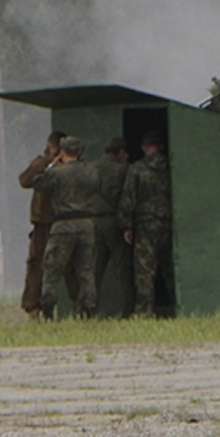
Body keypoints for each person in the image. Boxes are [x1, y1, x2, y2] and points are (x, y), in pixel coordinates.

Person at [32, 136, 102, 319]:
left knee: (52, 268)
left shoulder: (57, 173)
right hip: (86, 224)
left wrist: (51, 166)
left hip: (63, 224)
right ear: (79, 152)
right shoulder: (90, 172)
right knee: (86, 270)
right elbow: (97, 187)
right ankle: (89, 310)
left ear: (62, 152)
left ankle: (48, 310)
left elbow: (38, 183)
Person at [119, 131, 172, 317]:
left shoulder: (137, 169)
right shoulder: (171, 166)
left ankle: (145, 310)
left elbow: (128, 199)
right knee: (170, 267)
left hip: (146, 224)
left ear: (143, 147)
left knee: (145, 269)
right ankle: (177, 303)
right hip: (169, 223)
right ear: (161, 146)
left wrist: (126, 225)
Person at [17, 130, 67, 319]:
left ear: (49, 146)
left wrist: (44, 162)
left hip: (46, 225)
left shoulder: (42, 164)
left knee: (37, 266)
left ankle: (33, 309)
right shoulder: (67, 166)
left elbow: (23, 180)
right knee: (68, 267)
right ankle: (79, 307)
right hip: (60, 223)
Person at [91, 137, 132, 316]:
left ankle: (88, 311)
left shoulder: (91, 168)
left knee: (94, 270)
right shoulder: (124, 170)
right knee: (122, 270)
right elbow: (127, 199)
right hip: (114, 222)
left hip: (95, 222)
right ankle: (125, 311)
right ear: (121, 152)